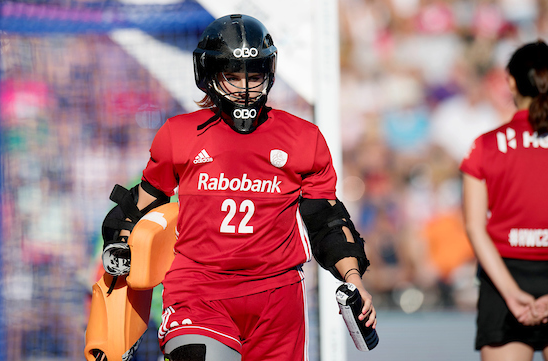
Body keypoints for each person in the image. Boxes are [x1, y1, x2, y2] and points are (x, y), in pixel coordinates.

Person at [101, 14, 376, 361]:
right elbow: (138, 207)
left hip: (278, 302)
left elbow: (328, 221)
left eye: (254, 76)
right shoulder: (179, 135)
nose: (244, 90)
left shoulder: (304, 139)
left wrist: (354, 279)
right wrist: (121, 243)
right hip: (198, 291)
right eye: (232, 77)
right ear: (211, 77)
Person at [460, 39, 548, 361]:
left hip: (503, 275)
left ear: (511, 82)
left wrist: (511, 294)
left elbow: (474, 226)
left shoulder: (485, 146)